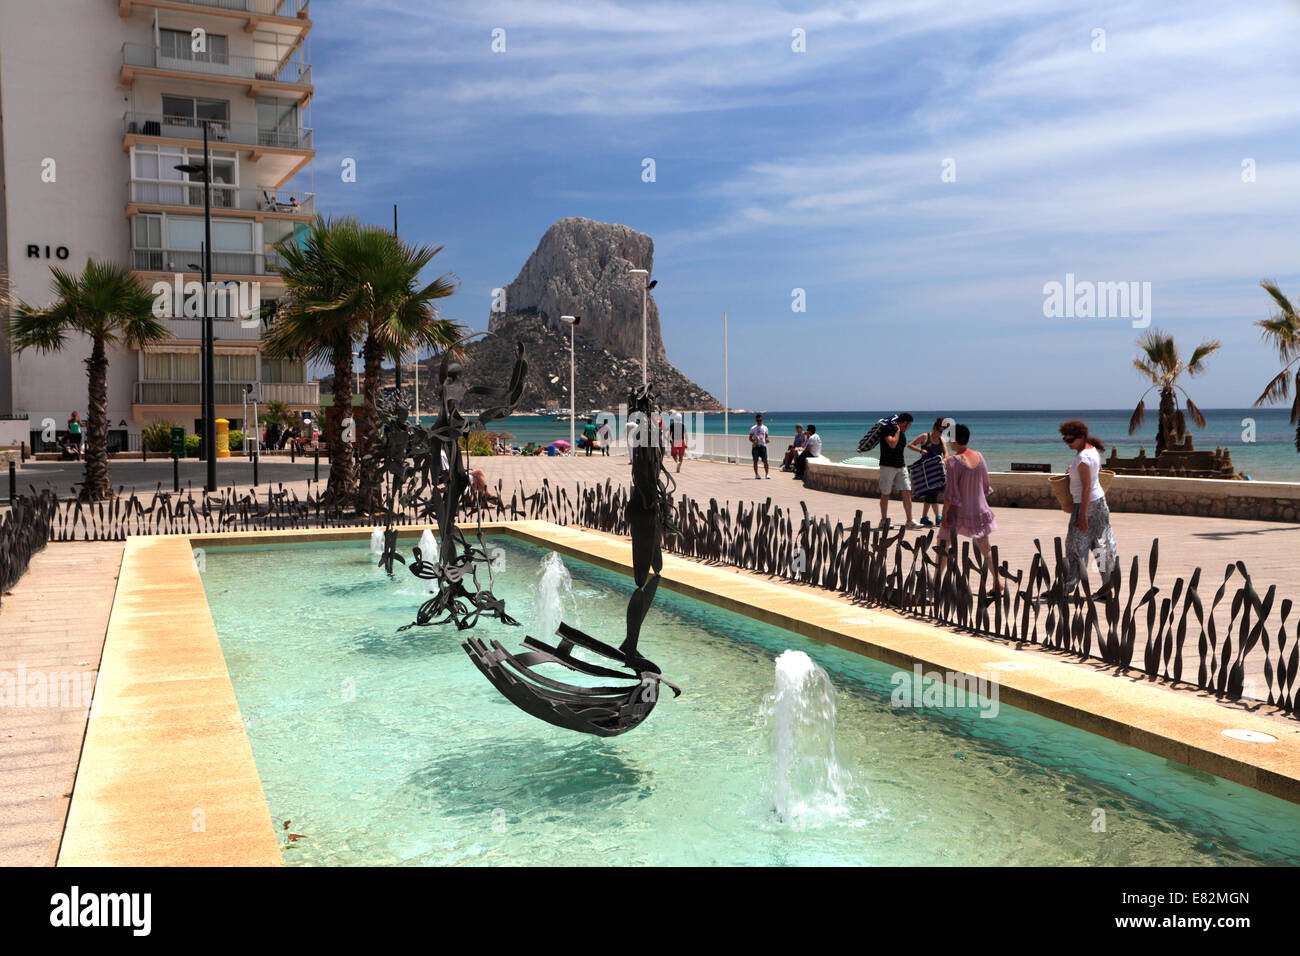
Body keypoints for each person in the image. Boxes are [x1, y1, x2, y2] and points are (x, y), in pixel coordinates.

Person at [936, 423, 1001, 593]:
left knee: (943, 543)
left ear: (955, 440)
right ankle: (997, 581)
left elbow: (950, 492)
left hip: (958, 510)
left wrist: (944, 514)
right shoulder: (979, 456)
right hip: (979, 509)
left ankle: (936, 580)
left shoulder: (953, 461)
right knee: (985, 547)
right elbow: (986, 486)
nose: (948, 442)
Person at [1059, 419, 1119, 598]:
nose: (1067, 444)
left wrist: (1083, 515)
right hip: (1099, 503)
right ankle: (1108, 587)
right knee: (1101, 545)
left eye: (1070, 440)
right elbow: (1096, 471)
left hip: (1087, 505)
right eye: (1065, 440)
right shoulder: (1090, 450)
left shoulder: (1084, 458)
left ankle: (1067, 588)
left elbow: (1086, 488)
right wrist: (1075, 471)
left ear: (1080, 438)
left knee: (1075, 547)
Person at [878, 412, 918, 527]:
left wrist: (900, 432)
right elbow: (892, 443)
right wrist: (898, 431)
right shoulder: (888, 429)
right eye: (909, 425)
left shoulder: (903, 434)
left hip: (901, 466)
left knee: (906, 491)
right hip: (887, 466)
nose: (909, 427)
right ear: (904, 423)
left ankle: (910, 521)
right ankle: (884, 520)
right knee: (886, 493)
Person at [908, 418, 949, 526]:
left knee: (930, 493)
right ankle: (938, 517)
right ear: (935, 428)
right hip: (926, 471)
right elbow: (910, 445)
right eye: (940, 431)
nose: (941, 434)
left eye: (943, 432)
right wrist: (921, 450)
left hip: (937, 471)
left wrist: (944, 460)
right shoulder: (925, 436)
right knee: (932, 493)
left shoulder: (942, 440)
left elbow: (946, 454)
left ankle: (924, 518)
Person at [749, 413, 770, 479]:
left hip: (763, 446)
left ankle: (767, 474)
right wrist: (753, 441)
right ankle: (757, 474)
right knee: (755, 461)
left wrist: (767, 440)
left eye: (760, 420)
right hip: (755, 447)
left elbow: (766, 436)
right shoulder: (753, 428)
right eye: (758, 420)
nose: (759, 421)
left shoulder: (765, 428)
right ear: (756, 420)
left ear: (762, 420)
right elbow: (750, 438)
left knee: (765, 461)